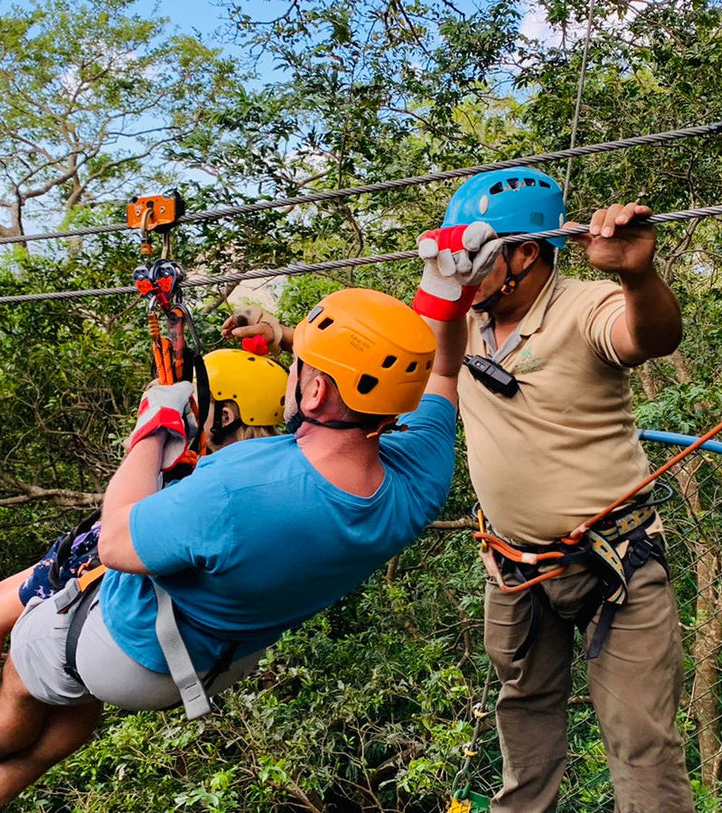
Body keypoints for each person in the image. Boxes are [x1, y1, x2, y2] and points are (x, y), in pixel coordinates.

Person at [231, 168, 692, 812]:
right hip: (512, 566)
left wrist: (638, 275)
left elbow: (649, 337)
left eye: (472, 256)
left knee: (640, 739)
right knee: (523, 719)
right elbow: (399, 361)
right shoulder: (464, 320)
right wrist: (283, 338)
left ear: (525, 253)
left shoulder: (587, 306)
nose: (459, 272)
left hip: (615, 563)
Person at [0, 288, 464, 812]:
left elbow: (116, 543)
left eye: (297, 367)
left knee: (26, 659)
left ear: (316, 393)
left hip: (131, 648)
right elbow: (442, 369)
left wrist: (152, 429)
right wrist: (446, 293)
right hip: (218, 665)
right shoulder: (418, 481)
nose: (289, 377)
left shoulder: (242, 487)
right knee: (73, 690)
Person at [0, 349, 290, 763]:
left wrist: (158, 426)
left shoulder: (210, 479)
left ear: (226, 415)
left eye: (201, 404)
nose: (193, 411)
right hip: (96, 559)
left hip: (95, 567)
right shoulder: (242, 475)